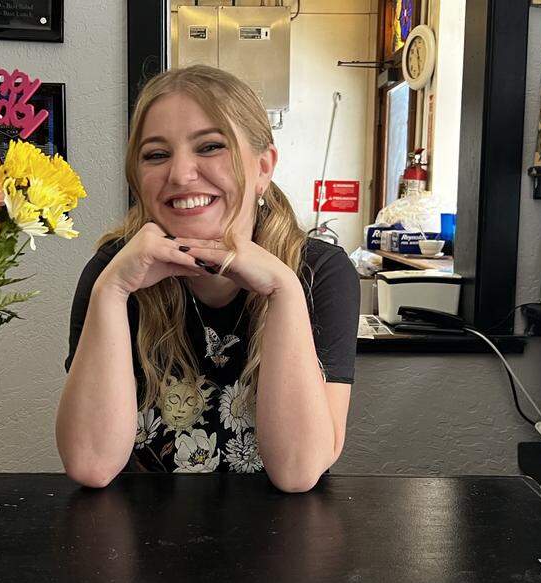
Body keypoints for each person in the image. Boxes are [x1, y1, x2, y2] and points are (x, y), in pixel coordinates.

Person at [57, 65, 359, 492]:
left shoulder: (318, 271)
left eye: (211, 146)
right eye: (156, 155)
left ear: (263, 167)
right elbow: (91, 463)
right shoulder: (113, 272)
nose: (180, 174)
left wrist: (284, 290)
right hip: (143, 528)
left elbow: (298, 471)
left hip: (276, 530)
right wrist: (111, 291)